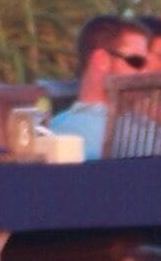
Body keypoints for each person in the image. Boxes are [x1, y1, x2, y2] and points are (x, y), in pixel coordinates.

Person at [49, 14, 152, 161]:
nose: (144, 73)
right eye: (136, 62)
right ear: (102, 60)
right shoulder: (60, 135)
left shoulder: (149, 127)